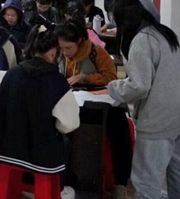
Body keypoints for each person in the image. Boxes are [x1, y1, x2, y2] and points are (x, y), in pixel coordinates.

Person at [107, 0, 180, 199]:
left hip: (157, 121)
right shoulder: (164, 33)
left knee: (146, 182)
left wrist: (113, 87)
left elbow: (140, 86)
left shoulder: (142, 40)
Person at [0, 27, 79, 199]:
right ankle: (56, 188)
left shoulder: (12, 73)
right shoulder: (57, 80)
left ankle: (6, 182)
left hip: (6, 149)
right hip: (42, 156)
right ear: (53, 53)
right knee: (63, 140)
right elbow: (69, 124)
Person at [56, 19, 131, 198]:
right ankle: (66, 180)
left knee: (119, 128)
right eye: (62, 48)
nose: (65, 52)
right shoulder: (61, 55)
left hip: (102, 101)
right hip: (74, 101)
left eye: (69, 48)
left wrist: (86, 77)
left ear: (79, 41)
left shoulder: (96, 52)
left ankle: (120, 184)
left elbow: (111, 78)